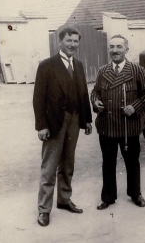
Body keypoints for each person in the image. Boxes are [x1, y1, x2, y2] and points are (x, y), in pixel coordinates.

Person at [33, 27, 92, 226]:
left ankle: (64, 199)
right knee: (49, 167)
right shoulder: (47, 66)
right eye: (69, 41)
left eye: (76, 41)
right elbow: (38, 99)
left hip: (74, 120)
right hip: (54, 122)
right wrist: (41, 125)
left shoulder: (79, 65)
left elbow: (83, 94)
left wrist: (87, 120)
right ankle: (43, 209)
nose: (72, 45)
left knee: (68, 163)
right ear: (60, 42)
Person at [90, 34, 145, 210]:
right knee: (108, 163)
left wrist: (135, 107)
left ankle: (135, 194)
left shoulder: (136, 70)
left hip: (129, 127)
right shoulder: (103, 71)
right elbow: (95, 92)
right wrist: (95, 102)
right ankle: (108, 197)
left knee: (132, 162)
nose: (115, 50)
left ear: (126, 49)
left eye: (119, 47)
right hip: (107, 126)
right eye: (111, 47)